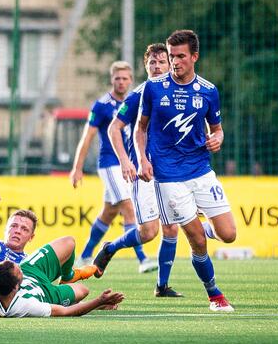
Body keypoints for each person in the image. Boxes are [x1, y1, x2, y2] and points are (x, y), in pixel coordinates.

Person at [98, 30, 237, 312]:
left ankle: (160, 280)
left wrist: (217, 139)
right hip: (161, 174)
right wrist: (134, 161)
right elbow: (130, 128)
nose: (170, 64)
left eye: (176, 57)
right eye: (164, 59)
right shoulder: (148, 90)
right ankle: (212, 294)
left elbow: (218, 130)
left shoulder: (208, 91)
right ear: (147, 65)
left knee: (228, 234)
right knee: (167, 232)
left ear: (194, 57)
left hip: (200, 170)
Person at [103, 43, 182, 297]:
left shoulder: (179, 92)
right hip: (142, 172)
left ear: (170, 65)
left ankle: (162, 286)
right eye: (152, 63)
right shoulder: (138, 94)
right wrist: (126, 161)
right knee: (149, 232)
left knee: (171, 228)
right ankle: (110, 247)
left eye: (161, 62)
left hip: (170, 171)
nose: (157, 67)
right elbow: (114, 128)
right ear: (145, 66)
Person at [70, 60, 157, 273]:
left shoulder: (135, 101)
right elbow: (87, 137)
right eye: (117, 78)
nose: (121, 82)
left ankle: (84, 256)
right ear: (112, 80)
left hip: (129, 163)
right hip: (110, 164)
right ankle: (142, 259)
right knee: (128, 207)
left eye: (125, 78)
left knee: (108, 213)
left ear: (130, 80)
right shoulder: (101, 105)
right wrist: (77, 167)